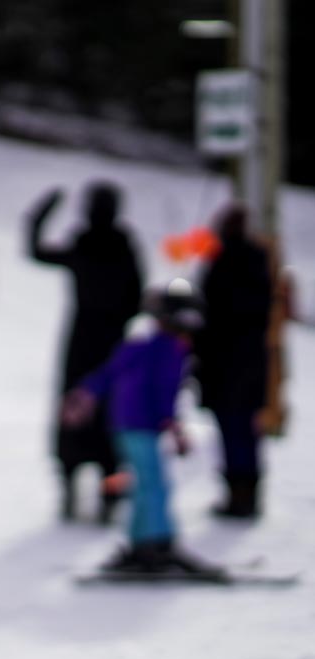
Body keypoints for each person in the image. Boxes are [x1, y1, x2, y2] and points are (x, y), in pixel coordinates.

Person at [62, 279, 218, 574]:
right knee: (154, 485)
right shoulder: (170, 349)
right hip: (142, 424)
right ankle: (154, 544)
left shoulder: (140, 345)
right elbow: (163, 391)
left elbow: (107, 373)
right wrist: (172, 426)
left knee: (146, 484)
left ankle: (142, 542)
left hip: (125, 424)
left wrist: (83, 395)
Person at [26, 181, 144, 523]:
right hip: (111, 343)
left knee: (74, 413)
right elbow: (136, 299)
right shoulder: (124, 246)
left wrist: (38, 217)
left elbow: (37, 251)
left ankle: (71, 489)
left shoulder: (85, 243)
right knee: (110, 418)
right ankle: (110, 494)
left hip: (81, 340)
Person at [194, 203, 273, 518]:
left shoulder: (223, 259)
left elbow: (208, 311)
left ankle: (241, 494)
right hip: (245, 363)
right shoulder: (254, 259)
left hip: (226, 363)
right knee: (241, 430)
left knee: (234, 429)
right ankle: (245, 492)